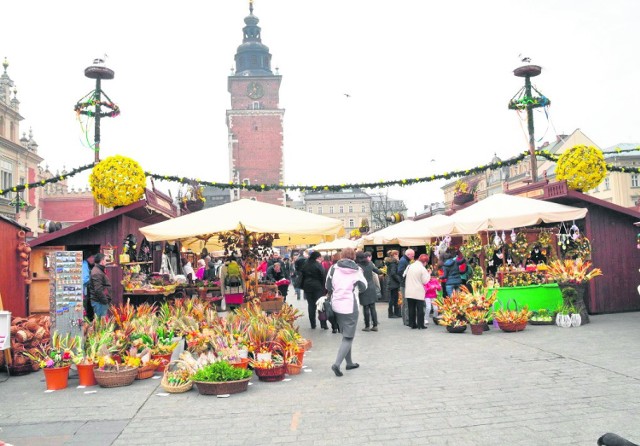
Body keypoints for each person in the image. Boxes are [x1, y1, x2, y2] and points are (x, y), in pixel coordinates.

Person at [326, 247, 367, 377]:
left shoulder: (333, 268)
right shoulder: (357, 270)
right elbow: (363, 286)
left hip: (336, 304)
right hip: (350, 306)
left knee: (345, 334)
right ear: (353, 256)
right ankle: (337, 364)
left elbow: (327, 286)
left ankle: (349, 363)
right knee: (348, 337)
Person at [355, 251, 381, 332]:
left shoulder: (357, 266)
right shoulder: (370, 264)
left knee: (366, 307)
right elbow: (378, 272)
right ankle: (375, 325)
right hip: (371, 287)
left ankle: (367, 326)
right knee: (373, 307)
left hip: (363, 288)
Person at [301, 251, 326, 329]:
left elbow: (302, 275)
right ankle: (323, 324)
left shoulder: (305, 265)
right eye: (319, 257)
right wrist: (324, 287)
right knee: (320, 305)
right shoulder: (318, 265)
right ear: (316, 257)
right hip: (317, 287)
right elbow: (323, 275)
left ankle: (313, 324)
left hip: (307, 287)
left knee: (311, 305)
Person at [404, 254, 431, 329]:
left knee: (411, 308)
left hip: (409, 290)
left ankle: (412, 324)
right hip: (418, 291)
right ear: (425, 262)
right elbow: (425, 281)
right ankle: (420, 325)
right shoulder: (422, 269)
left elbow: (404, 275)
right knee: (420, 309)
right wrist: (429, 274)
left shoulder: (410, 266)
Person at [88, 253, 112, 318]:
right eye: (105, 260)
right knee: (101, 324)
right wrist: (105, 301)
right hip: (99, 303)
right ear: (101, 261)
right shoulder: (96, 272)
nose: (106, 262)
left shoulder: (98, 270)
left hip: (100, 302)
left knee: (101, 323)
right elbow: (98, 290)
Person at [397, 248, 415, 326]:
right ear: (408, 255)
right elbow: (400, 271)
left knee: (405, 303)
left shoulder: (404, 260)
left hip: (404, 284)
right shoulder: (403, 261)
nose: (413, 257)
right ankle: (407, 320)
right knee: (406, 303)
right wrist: (408, 276)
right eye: (412, 256)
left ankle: (406, 320)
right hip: (404, 284)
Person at [385, 250, 402, 318]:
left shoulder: (391, 262)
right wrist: (399, 280)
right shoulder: (393, 263)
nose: (398, 256)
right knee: (393, 298)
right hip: (393, 283)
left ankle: (394, 313)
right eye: (397, 255)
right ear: (394, 255)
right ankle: (392, 313)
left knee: (394, 298)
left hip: (391, 282)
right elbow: (393, 273)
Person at [82, 252, 95, 321]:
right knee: (84, 308)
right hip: (82, 291)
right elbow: (84, 280)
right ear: (90, 257)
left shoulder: (86, 264)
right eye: (94, 258)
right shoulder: (84, 264)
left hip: (85, 291)